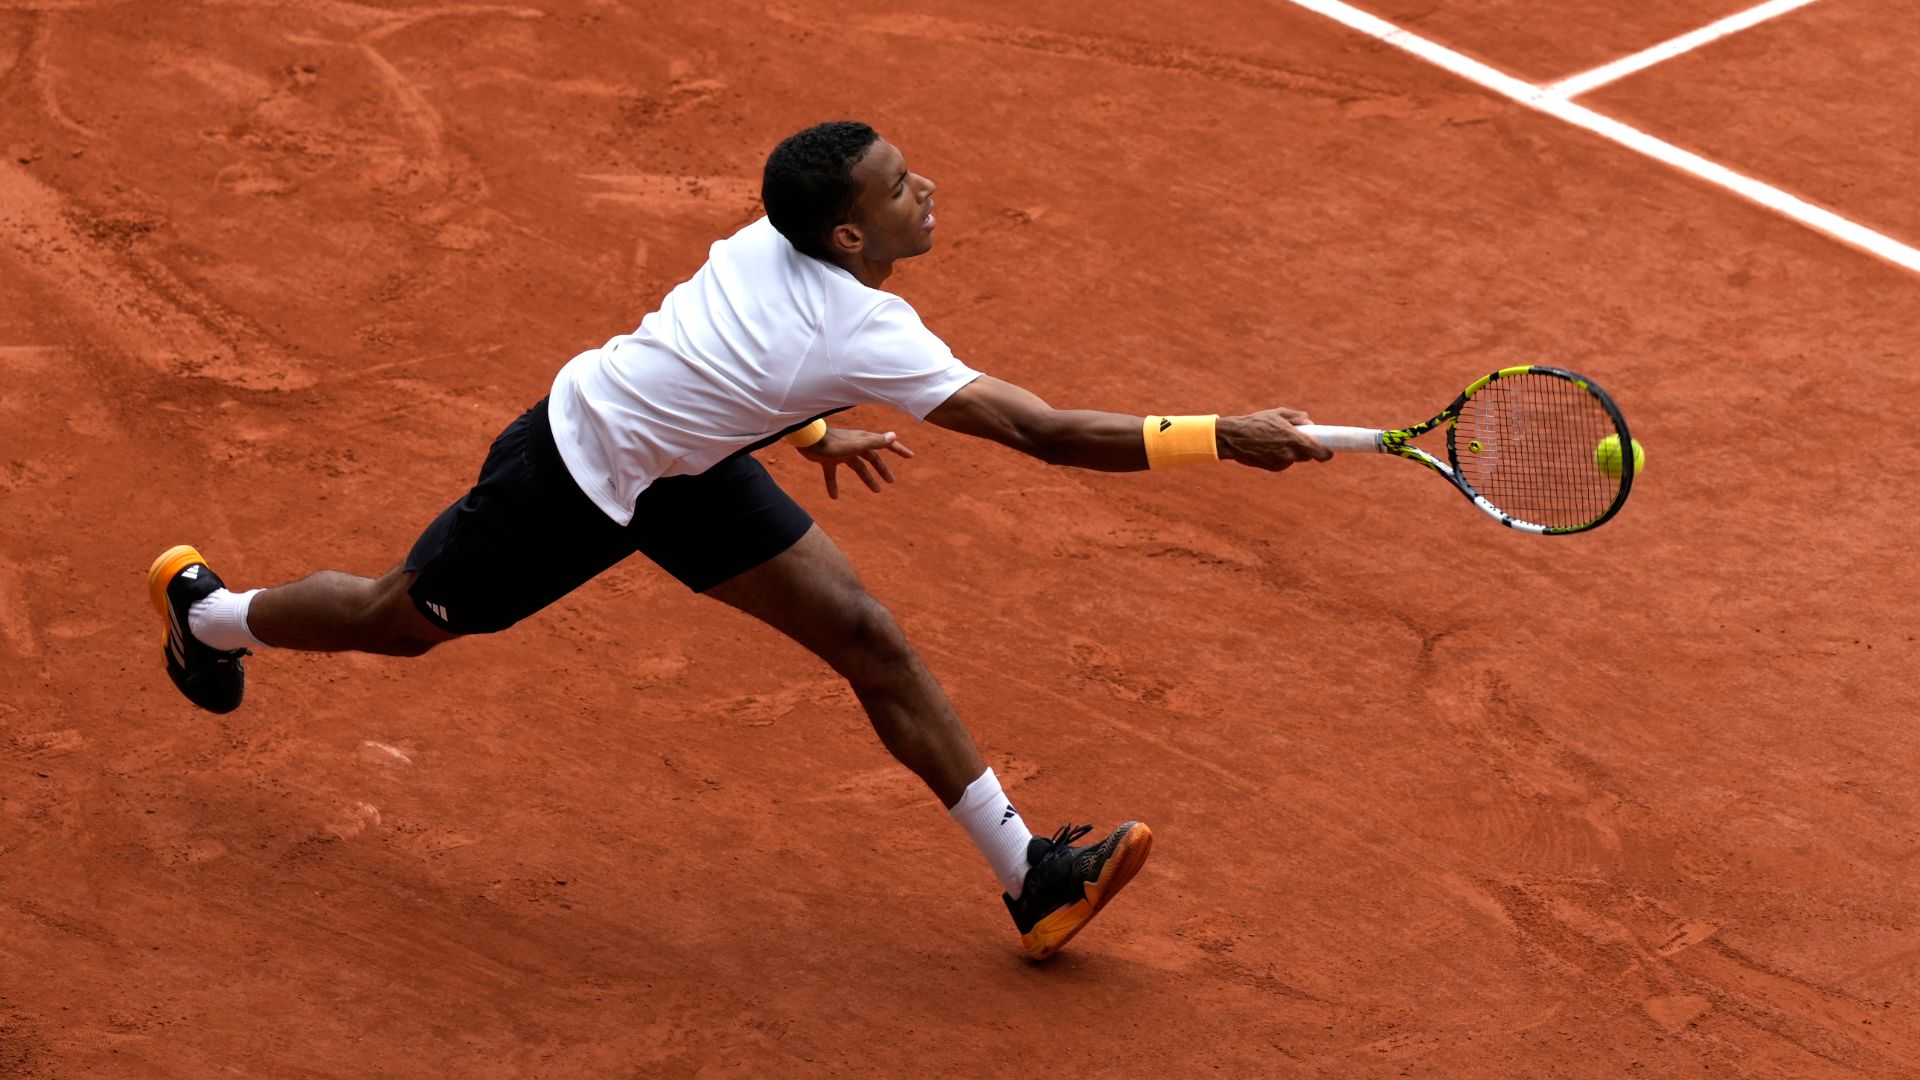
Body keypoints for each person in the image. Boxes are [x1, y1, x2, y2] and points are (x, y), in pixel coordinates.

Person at [147, 121, 1330, 961]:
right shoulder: (860, 329)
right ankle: (209, 617)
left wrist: (801, 425)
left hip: (691, 464)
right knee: (395, 623)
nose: (927, 192)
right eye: (900, 187)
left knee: (868, 637)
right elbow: (1046, 432)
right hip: (574, 471)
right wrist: (1227, 436)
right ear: (848, 240)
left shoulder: (775, 248)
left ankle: (1030, 878)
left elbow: (736, 367)